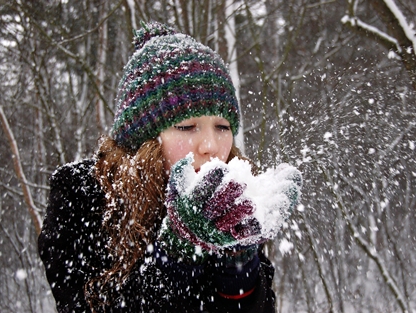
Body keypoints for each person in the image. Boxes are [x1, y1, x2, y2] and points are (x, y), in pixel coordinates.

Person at [38, 22, 302, 313]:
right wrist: (178, 250)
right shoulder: (83, 193)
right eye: (188, 126)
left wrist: (238, 255)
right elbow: (87, 305)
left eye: (223, 127)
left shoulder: (230, 198)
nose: (210, 145)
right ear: (144, 139)